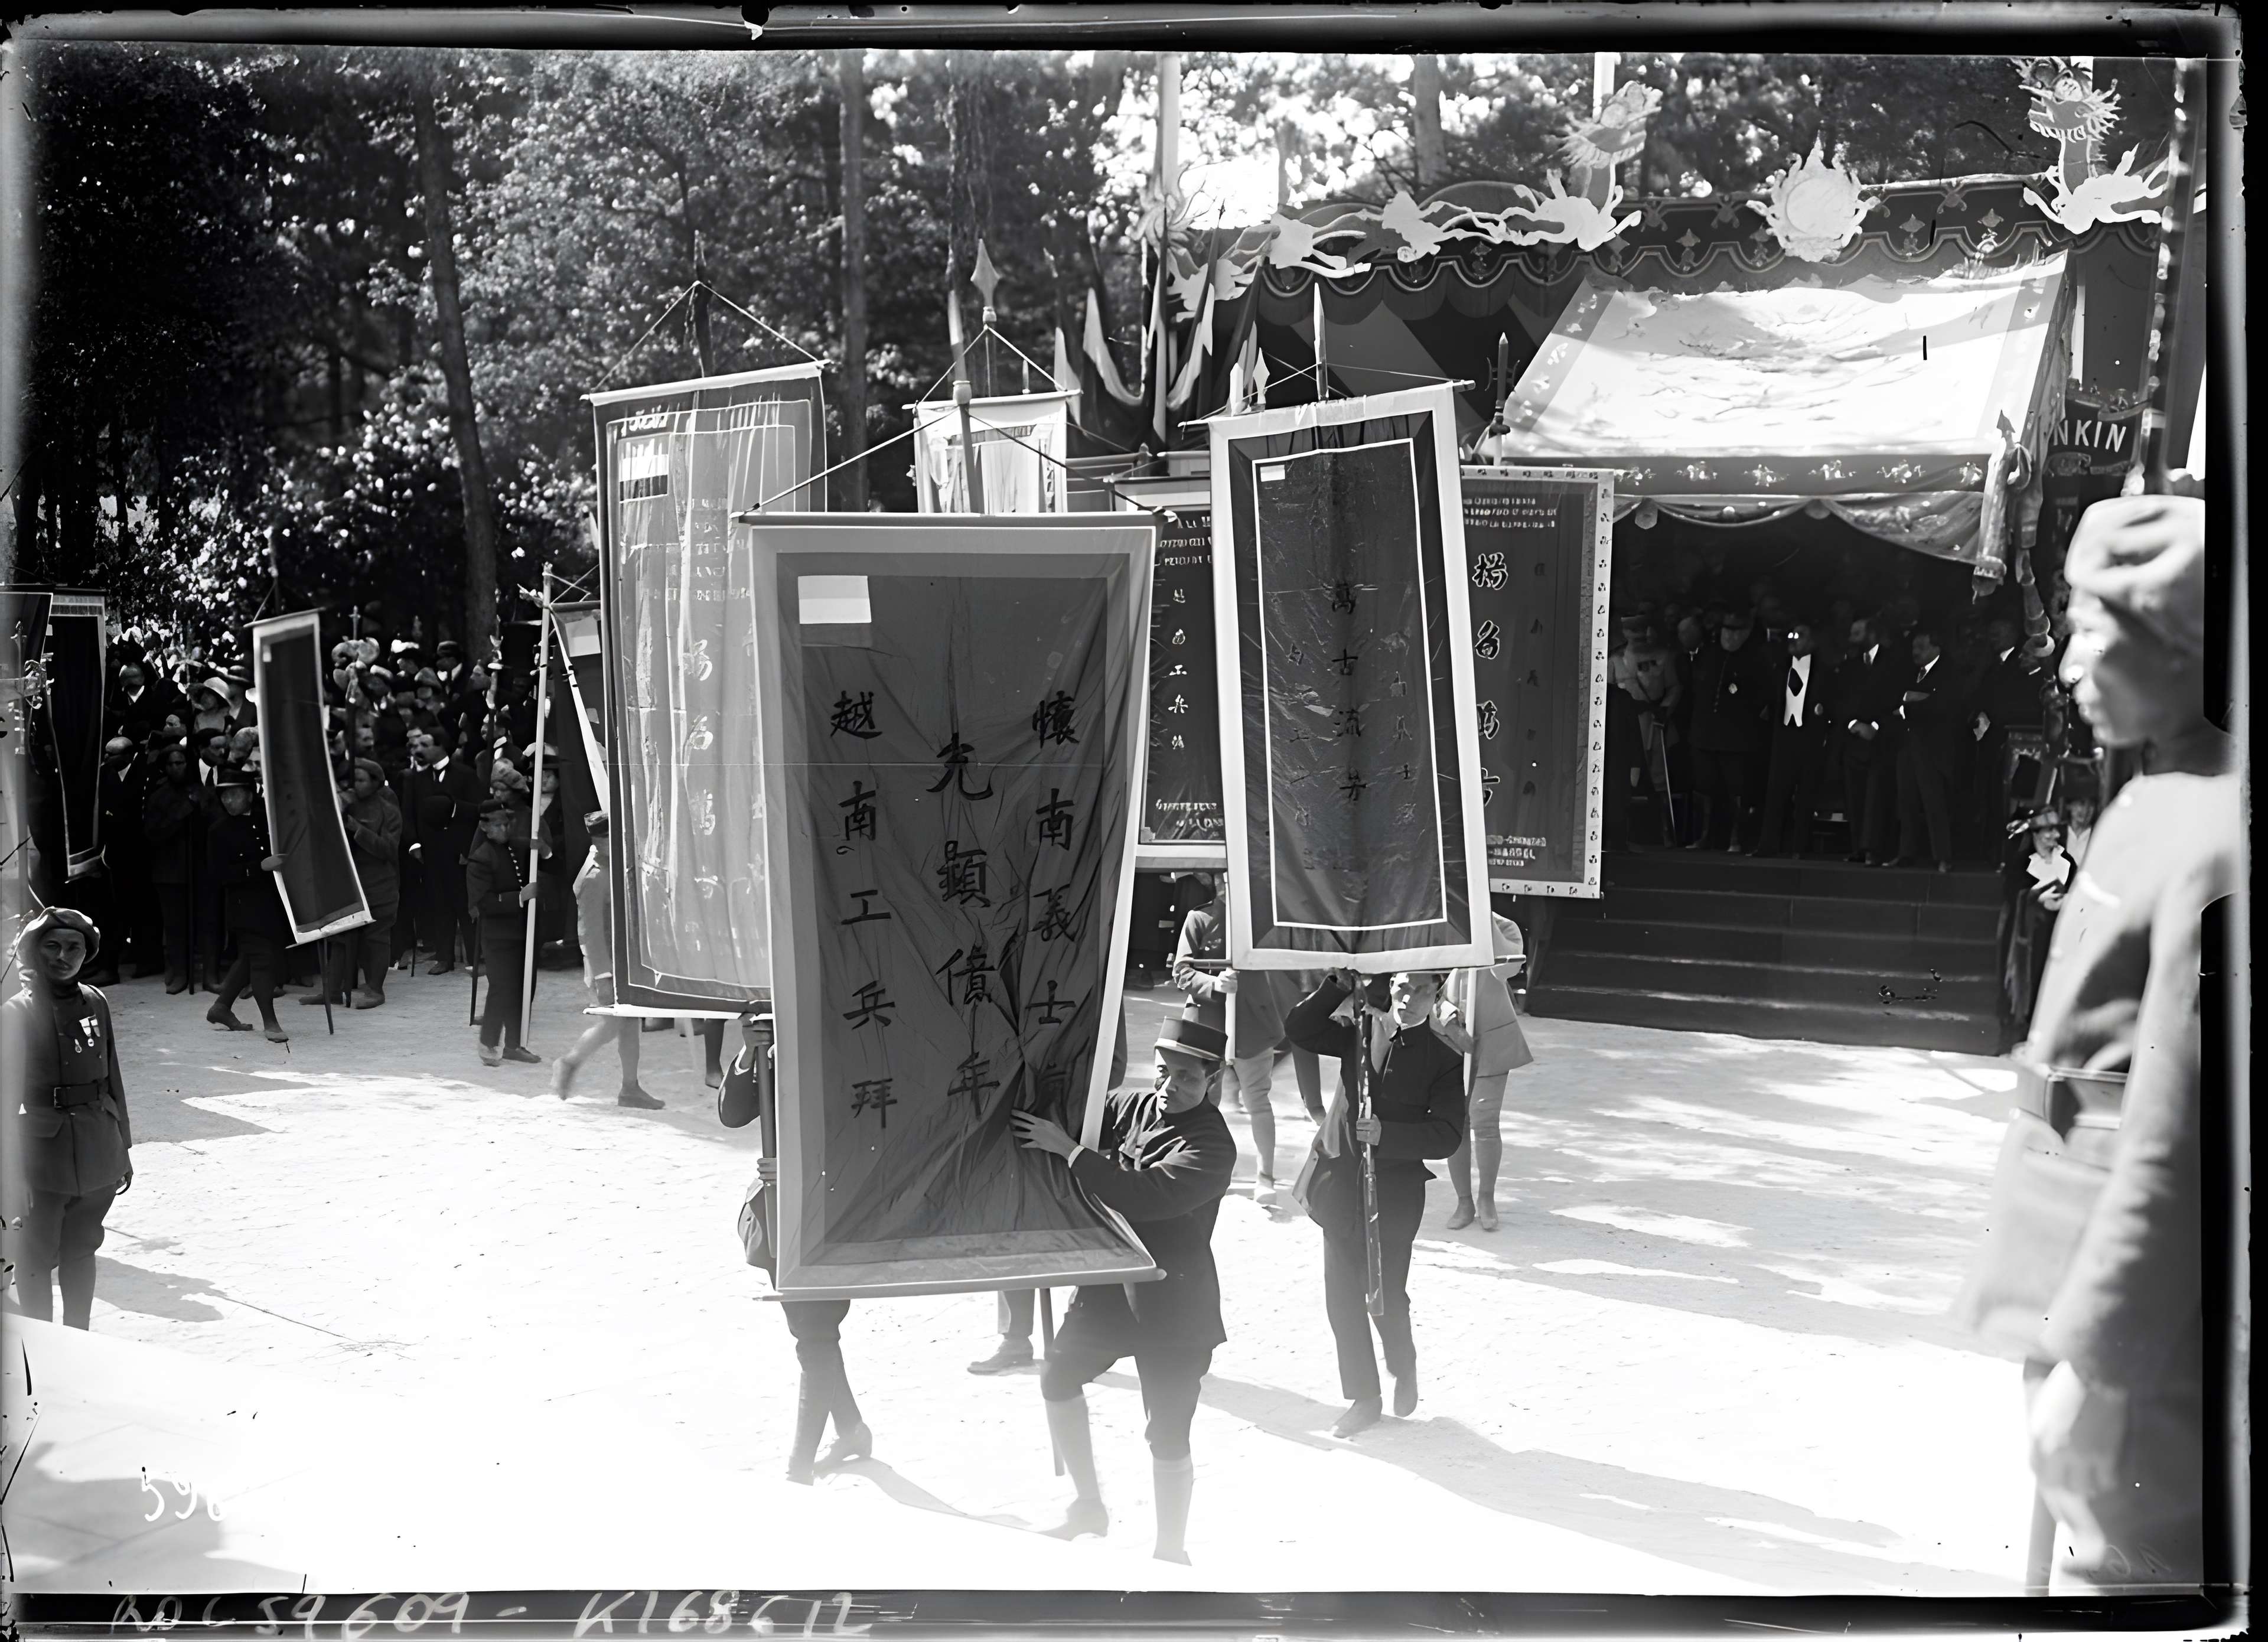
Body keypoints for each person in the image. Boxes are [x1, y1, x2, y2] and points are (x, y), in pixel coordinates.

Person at [1954, 493, 2234, 1593]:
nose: (2068, 662)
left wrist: (2103, 1358)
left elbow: (2181, 1139)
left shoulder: (2217, 836)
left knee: (2129, 1575)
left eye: (2092, 631)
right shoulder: (2158, 796)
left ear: (2182, 647)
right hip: (2062, 1256)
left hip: (2136, 1320)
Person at [1012, 1015, 1237, 1563]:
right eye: (1163, 1072)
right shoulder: (1132, 1105)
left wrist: (1070, 1153)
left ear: (1215, 1080)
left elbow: (1144, 1195)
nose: (1169, 1087)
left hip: (1174, 1301)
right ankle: (1088, 1507)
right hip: (1110, 1286)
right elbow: (1075, 1114)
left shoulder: (1214, 1146)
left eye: (1186, 1078)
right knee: (1057, 1377)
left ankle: (1170, 1552)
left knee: (1167, 1432)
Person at [1285, 969, 1466, 1438]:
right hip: (1339, 1184)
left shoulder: (1444, 1058)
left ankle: (1403, 1364)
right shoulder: (1360, 1031)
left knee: (1384, 1295)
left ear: (1437, 993)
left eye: (1422, 990)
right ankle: (1365, 1398)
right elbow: (1299, 1030)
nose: (1409, 998)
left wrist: (1390, 1136)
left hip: (1395, 1193)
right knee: (1342, 1298)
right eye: (1403, 987)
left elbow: (1448, 1135)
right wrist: (1336, 984)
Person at [716, 1009, 874, 1485]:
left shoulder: (860, 1048)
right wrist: (750, 1052)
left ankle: (799, 1468)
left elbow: (873, 1140)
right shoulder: (780, 1049)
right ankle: (851, 1431)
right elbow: (733, 1114)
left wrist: (800, 1171)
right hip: (780, 1214)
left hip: (831, 1213)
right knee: (812, 1329)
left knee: (816, 1335)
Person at [967, 1012, 1132, 1375]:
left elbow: (1114, 1062)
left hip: (1072, 1126)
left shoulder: (1098, 984)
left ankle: (1087, 1337)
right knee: (1011, 1224)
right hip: (1011, 1119)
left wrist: (1071, 1103)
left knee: (1084, 1226)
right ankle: (1015, 1339)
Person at [3, 907, 133, 1329]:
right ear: (33, 951)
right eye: (53, 946)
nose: (63, 956)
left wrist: (123, 1146)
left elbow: (113, 1077)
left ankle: (80, 1338)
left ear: (86, 953)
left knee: (82, 1249)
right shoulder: (17, 1012)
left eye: (74, 948)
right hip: (43, 1156)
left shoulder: (96, 1001)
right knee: (35, 1255)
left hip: (98, 1145)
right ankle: (42, 1345)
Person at [1171, 885, 1291, 1191]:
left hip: (1253, 1023)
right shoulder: (1200, 918)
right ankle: (1197, 1169)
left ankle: (1265, 1176)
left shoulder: (1265, 918)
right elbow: (1182, 970)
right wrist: (1213, 983)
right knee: (1200, 1100)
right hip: (1207, 1025)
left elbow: (1283, 961)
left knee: (1258, 1100)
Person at [551, 812, 661, 1108]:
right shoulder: (595, 876)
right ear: (598, 840)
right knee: (614, 1025)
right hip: (608, 967)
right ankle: (570, 1063)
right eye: (608, 838)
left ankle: (630, 1087)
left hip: (624, 962)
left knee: (630, 1024)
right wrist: (602, 975)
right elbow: (589, 932)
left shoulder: (613, 865)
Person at [1436, 911, 1532, 1232]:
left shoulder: (1506, 928)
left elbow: (1506, 968)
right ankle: (1463, 1201)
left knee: (1486, 1123)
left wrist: (1483, 919)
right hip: (1449, 1036)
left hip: (1492, 1037)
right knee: (1456, 1124)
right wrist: (1445, 1013)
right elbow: (1425, 978)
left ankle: (1486, 1198)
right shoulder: (1443, 922)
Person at [306, 758, 400, 1010]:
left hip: (379, 885)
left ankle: (375, 990)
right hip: (346, 881)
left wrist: (358, 829)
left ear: (376, 783)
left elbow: (389, 849)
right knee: (339, 936)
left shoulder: (388, 811)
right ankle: (332, 991)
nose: (355, 786)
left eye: (361, 780)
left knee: (377, 939)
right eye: (352, 780)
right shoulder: (343, 805)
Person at [204, 768, 290, 1042]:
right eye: (224, 796)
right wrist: (258, 868)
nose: (229, 801)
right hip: (244, 907)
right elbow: (219, 875)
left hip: (272, 904)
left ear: (250, 795)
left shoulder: (266, 819)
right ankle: (270, 1022)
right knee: (262, 960)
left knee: (249, 958)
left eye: (235, 794)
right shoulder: (218, 830)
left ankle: (221, 1007)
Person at [1683, 607, 1769, 852]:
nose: (1731, 635)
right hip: (1705, 733)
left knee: (1738, 790)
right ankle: (1707, 836)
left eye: (1737, 629)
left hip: (1739, 737)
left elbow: (1762, 698)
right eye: (1727, 628)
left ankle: (1736, 838)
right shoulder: (1710, 654)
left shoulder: (1756, 658)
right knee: (1706, 787)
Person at [465, 797, 542, 1066]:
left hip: (524, 932)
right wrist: (519, 898)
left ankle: (514, 1045)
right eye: (498, 825)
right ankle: (488, 1042)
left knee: (524, 988)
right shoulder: (480, 859)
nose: (504, 829)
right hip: (498, 936)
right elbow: (483, 903)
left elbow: (538, 852)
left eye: (506, 824)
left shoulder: (516, 847)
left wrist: (543, 850)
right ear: (485, 828)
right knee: (502, 988)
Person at [1755, 619, 1836, 858]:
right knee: (1776, 791)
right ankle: (1769, 844)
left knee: (1806, 794)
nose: (1793, 640)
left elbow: (1831, 702)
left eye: (1800, 636)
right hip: (1784, 736)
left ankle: (1801, 847)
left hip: (1809, 737)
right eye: (1792, 635)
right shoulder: (1781, 667)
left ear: (1813, 641)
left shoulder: (1825, 671)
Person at [405, 726, 481, 972]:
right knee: (439, 904)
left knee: (464, 904)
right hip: (430, 852)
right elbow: (409, 813)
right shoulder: (416, 779)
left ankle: (475, 958)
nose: (419, 749)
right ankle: (444, 957)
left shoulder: (465, 775)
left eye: (425, 745)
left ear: (440, 747)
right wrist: (414, 844)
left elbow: (478, 811)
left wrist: (467, 848)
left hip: (458, 852)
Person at [1836, 614, 1908, 864]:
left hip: (1882, 740)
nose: (1852, 639)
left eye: (1857, 634)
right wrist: (1853, 724)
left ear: (1872, 634)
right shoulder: (1849, 665)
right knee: (1855, 795)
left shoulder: (1894, 663)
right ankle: (1858, 847)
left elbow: (1899, 700)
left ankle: (1874, 849)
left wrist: (1876, 727)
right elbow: (1838, 699)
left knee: (1877, 797)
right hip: (1853, 738)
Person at [1892, 625, 1964, 872]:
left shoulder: (1948, 672)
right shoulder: (1911, 672)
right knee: (1906, 801)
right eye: (1914, 647)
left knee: (1934, 803)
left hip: (1933, 748)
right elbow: (1897, 698)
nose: (1916, 652)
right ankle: (1906, 853)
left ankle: (1943, 856)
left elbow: (1944, 704)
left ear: (1936, 647)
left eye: (1922, 647)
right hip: (1908, 744)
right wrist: (1915, 699)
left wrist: (1911, 703)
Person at [141, 743, 202, 993]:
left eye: (180, 763)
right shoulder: (158, 797)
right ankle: (178, 970)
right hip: (169, 871)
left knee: (198, 923)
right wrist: (184, 810)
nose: (176, 768)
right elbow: (153, 833)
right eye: (171, 764)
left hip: (197, 868)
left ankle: (196, 969)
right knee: (174, 925)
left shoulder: (198, 792)